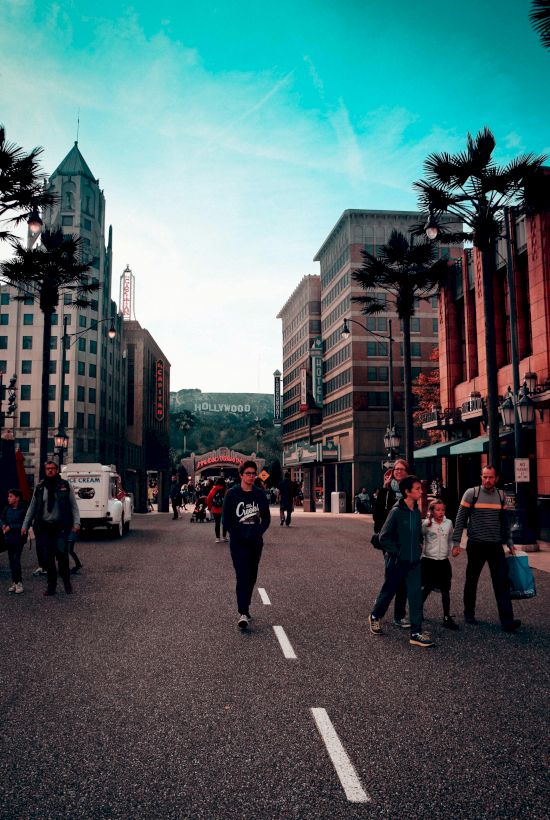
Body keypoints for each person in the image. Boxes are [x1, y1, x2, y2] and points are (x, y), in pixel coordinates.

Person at [451, 465, 521, 632]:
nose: (487, 480)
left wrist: (509, 542)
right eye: (484, 477)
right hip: (476, 544)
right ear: (481, 477)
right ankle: (469, 613)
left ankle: (507, 621)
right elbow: (460, 519)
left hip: (495, 545)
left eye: (490, 477)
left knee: (502, 583)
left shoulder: (501, 495)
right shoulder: (471, 493)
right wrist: (456, 543)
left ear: (496, 478)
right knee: (472, 580)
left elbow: (505, 523)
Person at [369, 475, 434, 648]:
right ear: (407, 491)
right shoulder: (396, 511)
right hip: (397, 562)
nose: (421, 491)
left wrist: (419, 545)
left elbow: (416, 533)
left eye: (421, 488)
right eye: (417, 489)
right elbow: (383, 537)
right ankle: (375, 616)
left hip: (413, 562)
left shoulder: (416, 511)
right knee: (388, 592)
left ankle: (416, 633)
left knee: (415, 596)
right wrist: (396, 553)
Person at [222, 460, 271, 630]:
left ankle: (246, 606)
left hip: (255, 543)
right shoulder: (232, 494)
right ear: (241, 475)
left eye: (253, 473)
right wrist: (238, 534)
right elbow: (226, 519)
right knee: (242, 575)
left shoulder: (259, 494)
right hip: (238, 543)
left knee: (251, 577)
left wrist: (256, 533)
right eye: (248, 473)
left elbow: (266, 519)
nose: (251, 476)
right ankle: (242, 612)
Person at [22, 461, 80, 596]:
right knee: (48, 559)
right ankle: (51, 586)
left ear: (57, 470)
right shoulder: (40, 487)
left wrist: (76, 523)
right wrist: (25, 525)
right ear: (45, 470)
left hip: (60, 527)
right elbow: (32, 507)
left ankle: (66, 582)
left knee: (62, 557)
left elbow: (73, 506)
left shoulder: (65, 486)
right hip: (44, 528)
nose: (49, 471)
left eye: (52, 468)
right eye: (47, 469)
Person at [372, 459, 410, 628]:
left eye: (402, 469)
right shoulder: (387, 491)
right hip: (390, 541)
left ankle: (398, 614)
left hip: (406, 540)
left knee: (403, 579)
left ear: (407, 472)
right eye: (396, 469)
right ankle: (379, 609)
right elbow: (377, 515)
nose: (398, 472)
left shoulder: (410, 492)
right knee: (393, 577)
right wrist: (383, 489)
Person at [421, 500, 459, 630]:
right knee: (427, 587)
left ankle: (447, 617)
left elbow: (450, 539)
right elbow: (419, 538)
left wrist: (454, 548)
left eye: (443, 510)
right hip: (429, 561)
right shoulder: (426, 524)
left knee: (445, 589)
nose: (441, 512)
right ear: (432, 511)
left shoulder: (448, 523)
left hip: (443, 561)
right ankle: (417, 611)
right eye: (437, 510)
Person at [1, 489, 27, 594]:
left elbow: (24, 523)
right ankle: (14, 582)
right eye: (8, 496)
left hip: (19, 539)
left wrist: (10, 527)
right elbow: (2, 519)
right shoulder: (6, 509)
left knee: (16, 560)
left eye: (11, 496)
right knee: (11, 560)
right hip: (9, 539)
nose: (9, 498)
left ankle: (19, 582)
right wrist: (3, 525)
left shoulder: (23, 510)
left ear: (17, 498)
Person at [207, 478, 227, 542]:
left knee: (217, 523)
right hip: (224, 509)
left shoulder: (213, 489)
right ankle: (224, 537)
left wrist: (210, 507)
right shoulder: (225, 489)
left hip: (215, 509)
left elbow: (208, 499)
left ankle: (217, 538)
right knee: (224, 524)